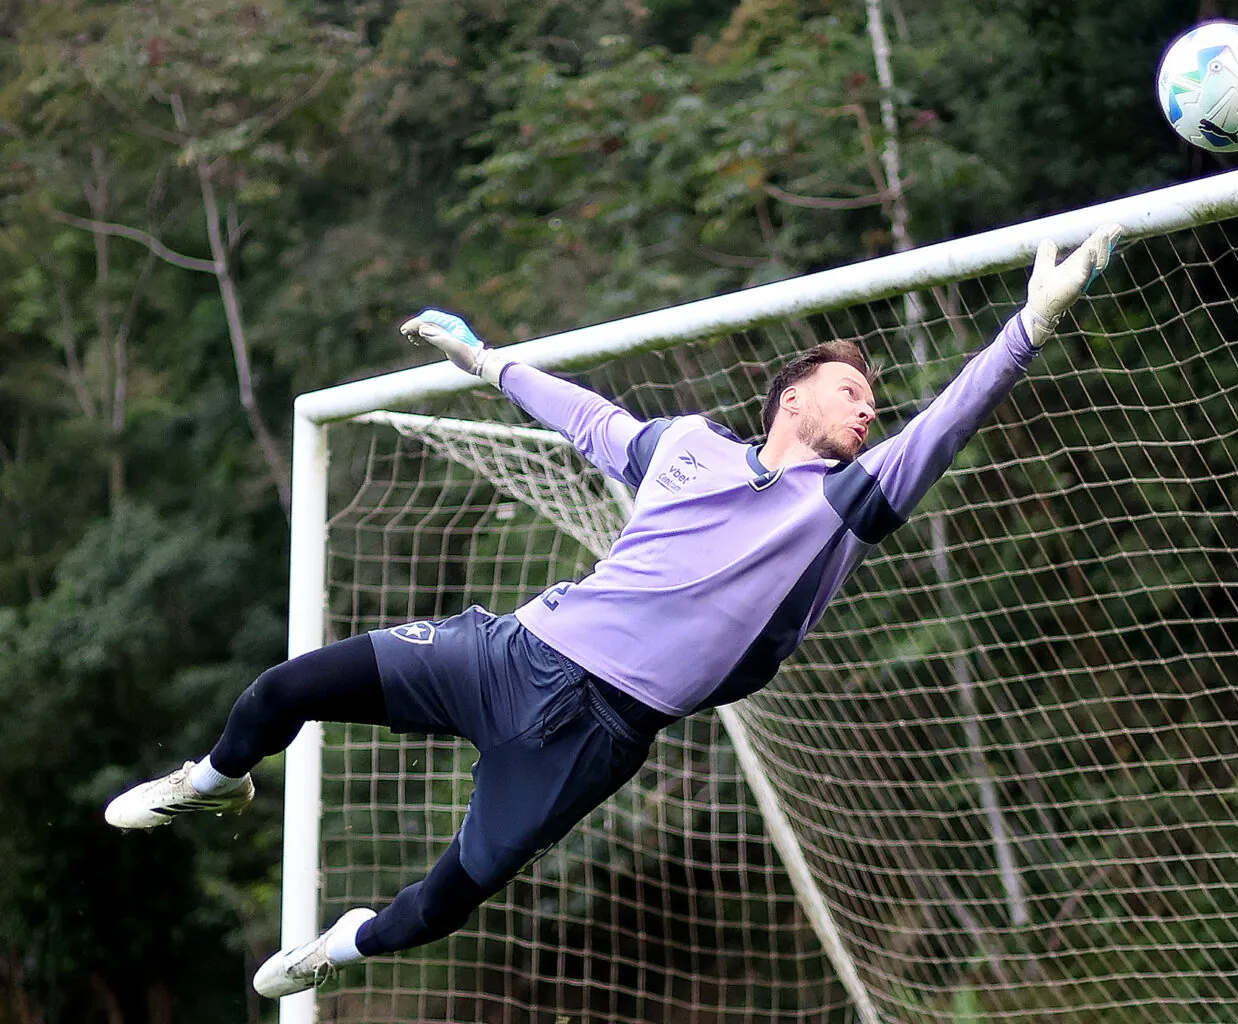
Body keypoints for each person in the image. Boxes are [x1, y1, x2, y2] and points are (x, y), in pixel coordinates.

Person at [104, 224, 1123, 998]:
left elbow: (938, 433)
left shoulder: (837, 509)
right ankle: (211, 780)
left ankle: (342, 945)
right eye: (851, 389)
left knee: (447, 901)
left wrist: (1027, 328)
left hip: (594, 733)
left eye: (872, 399)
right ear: (793, 397)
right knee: (288, 686)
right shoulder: (687, 449)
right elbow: (589, 420)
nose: (870, 406)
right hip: (511, 650)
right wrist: (487, 361)